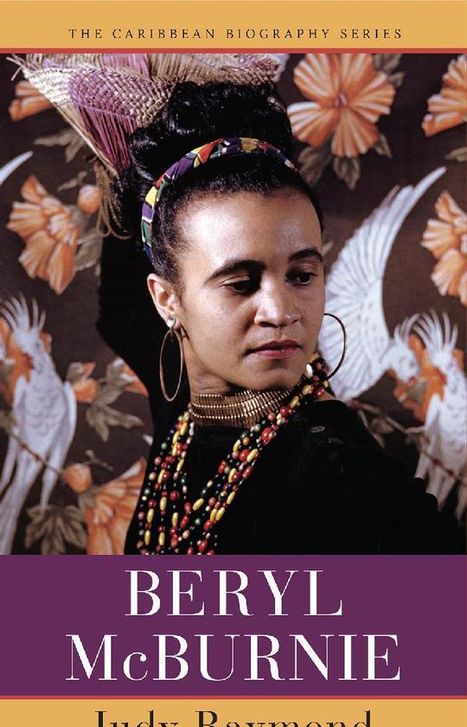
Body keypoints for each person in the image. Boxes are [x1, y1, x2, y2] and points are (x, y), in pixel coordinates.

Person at [97, 81, 461, 555]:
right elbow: (121, 297)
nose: (281, 312)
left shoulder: (337, 472)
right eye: (240, 283)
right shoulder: (181, 391)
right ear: (167, 300)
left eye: (302, 275)